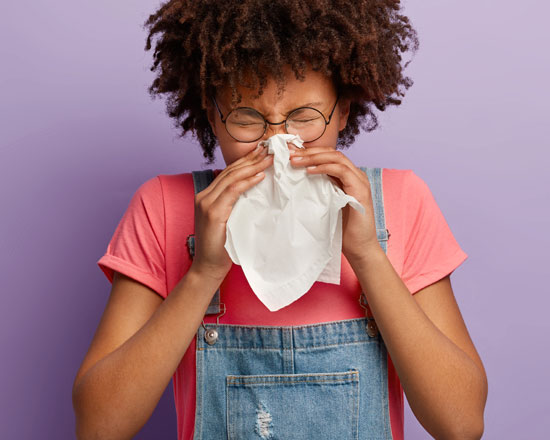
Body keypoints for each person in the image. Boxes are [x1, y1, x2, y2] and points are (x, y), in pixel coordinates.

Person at [72, 1, 488, 439]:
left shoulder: (400, 202)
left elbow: (460, 424)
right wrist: (204, 273)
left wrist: (366, 254)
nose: (276, 144)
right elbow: (99, 426)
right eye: (247, 119)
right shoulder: (162, 206)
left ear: (342, 111)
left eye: (303, 118)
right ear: (213, 116)